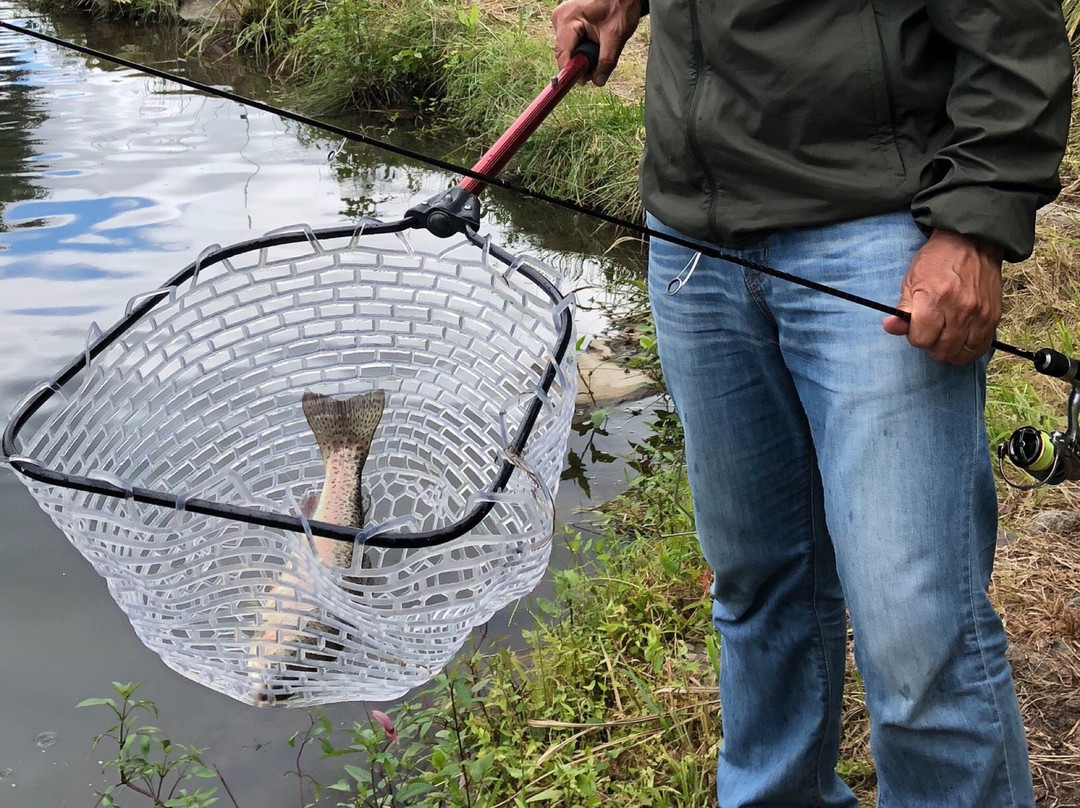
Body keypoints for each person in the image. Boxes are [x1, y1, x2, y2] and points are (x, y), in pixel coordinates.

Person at [551, 0, 1073, 805]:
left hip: (876, 230)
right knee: (759, 590)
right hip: (694, 238)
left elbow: (1014, 27)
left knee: (918, 633)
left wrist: (975, 219)